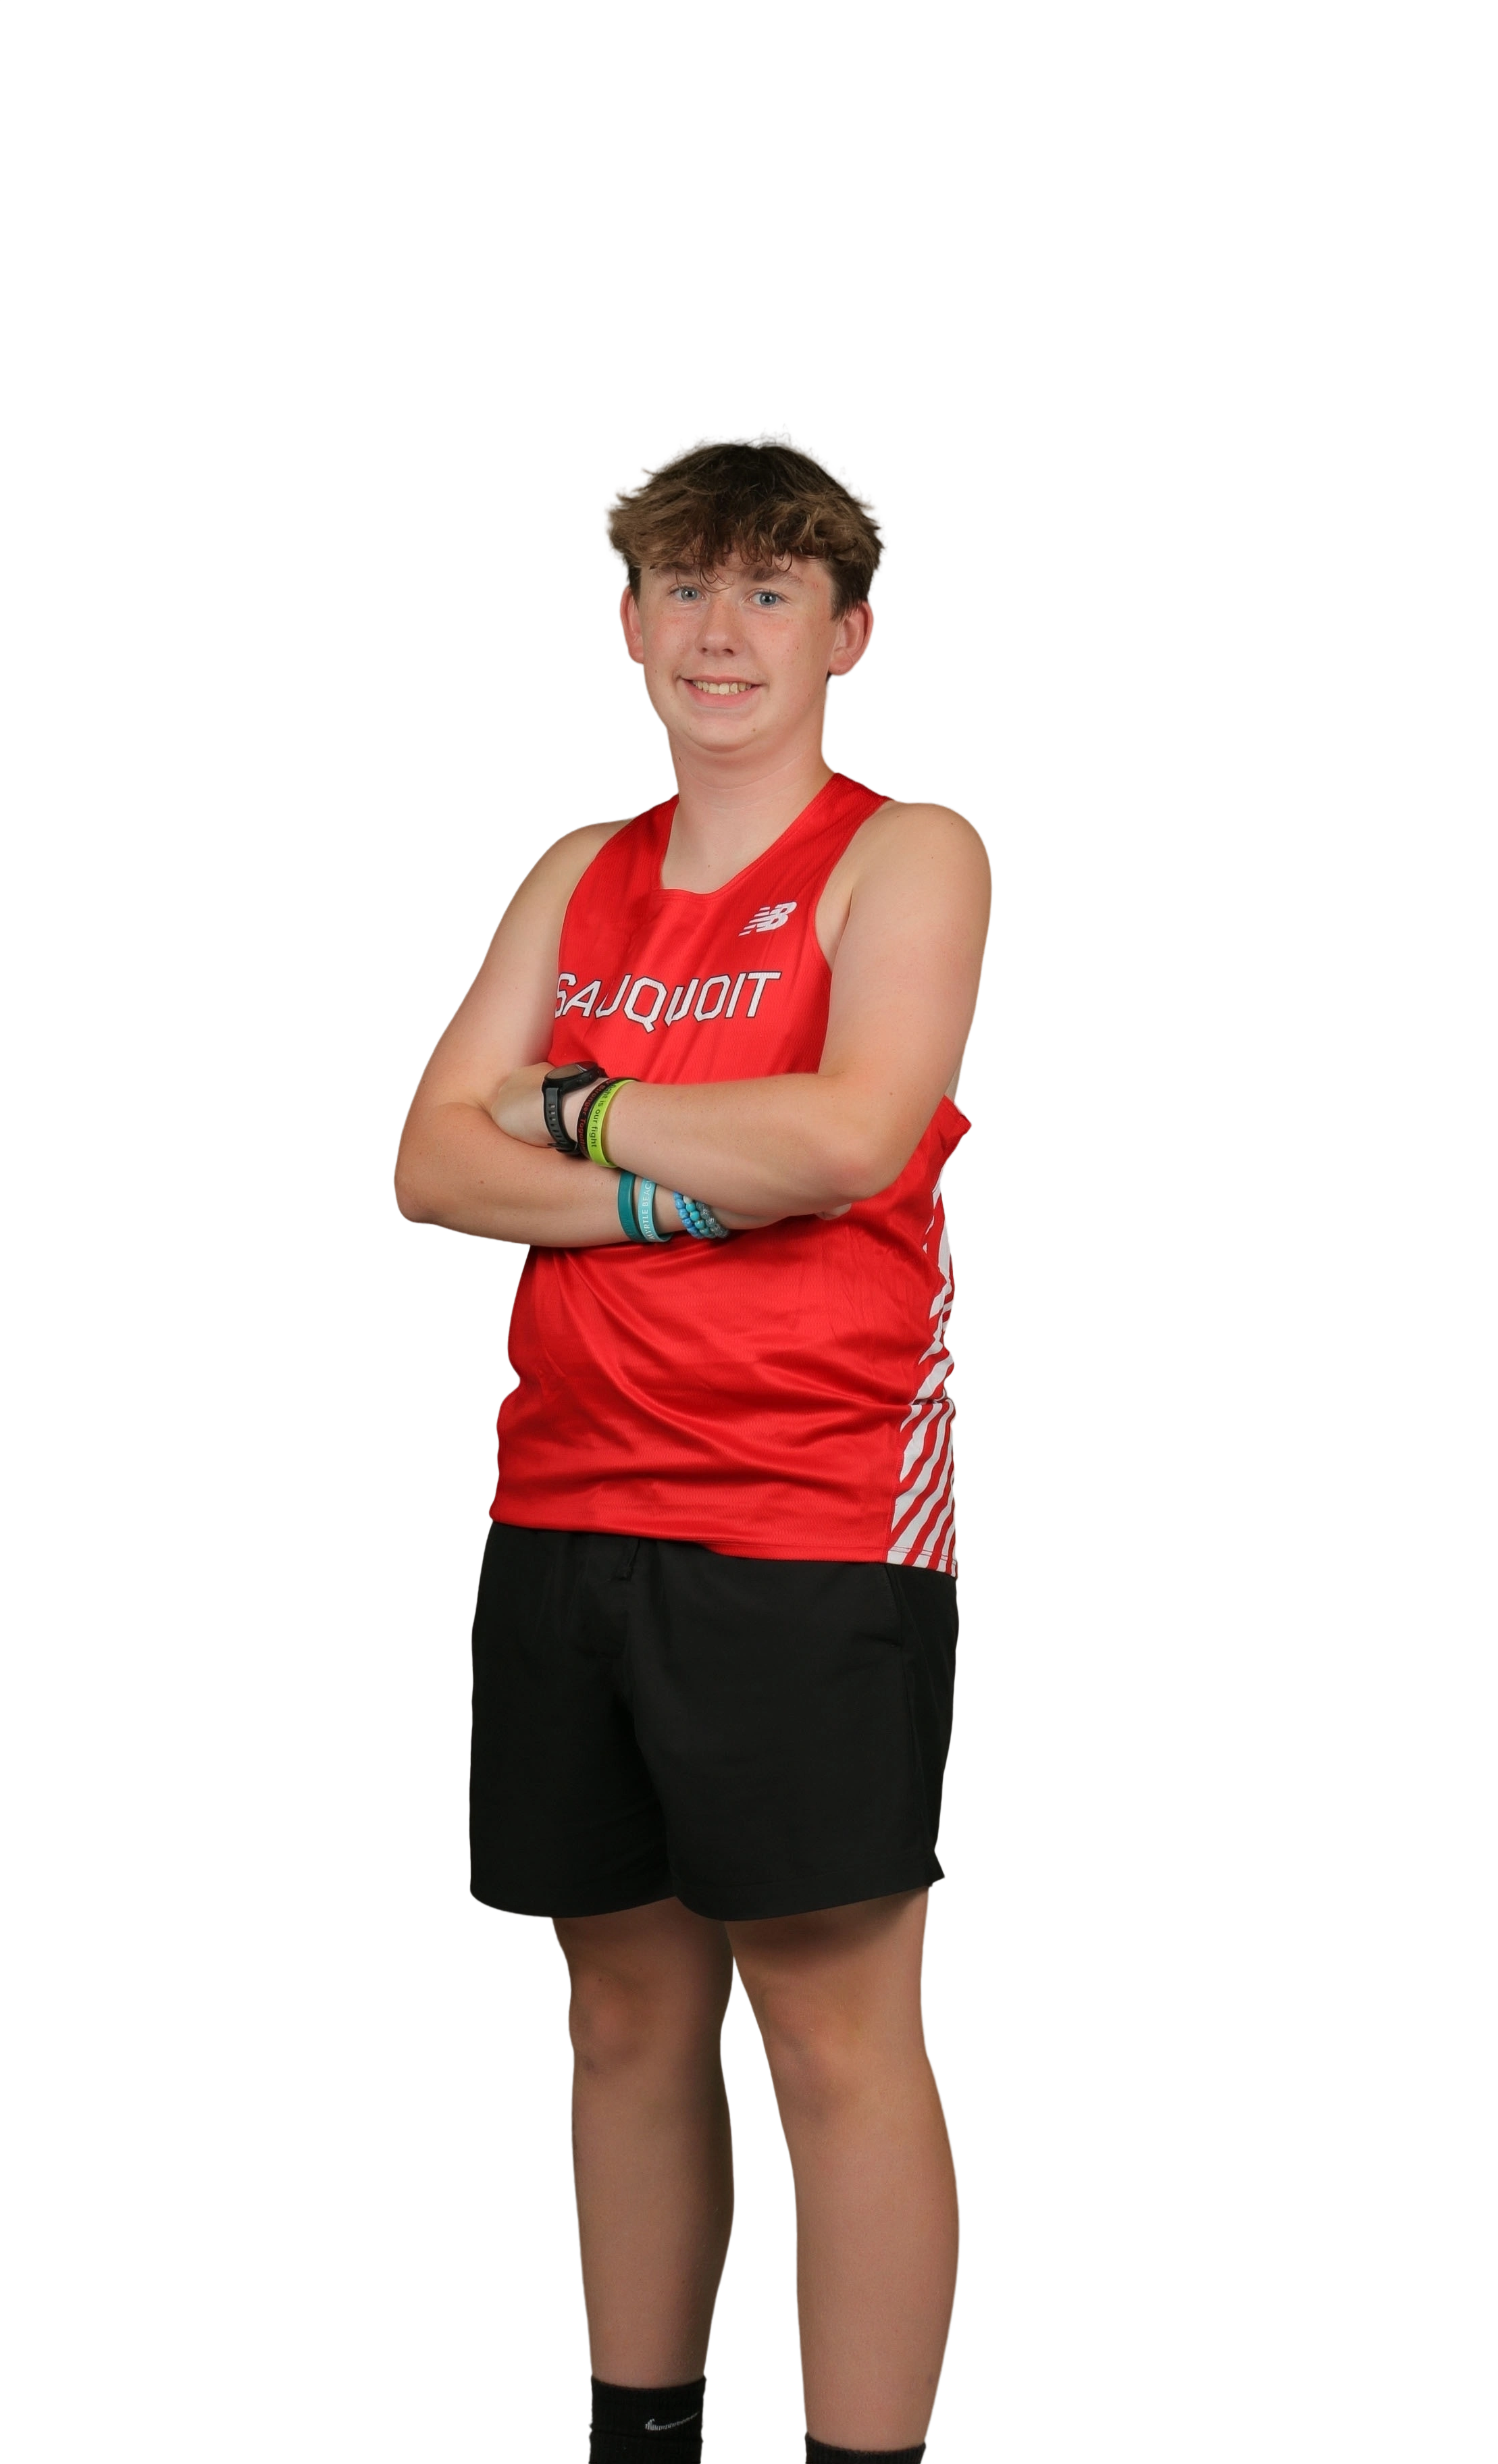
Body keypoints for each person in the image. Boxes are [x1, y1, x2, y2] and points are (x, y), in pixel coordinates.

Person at [391, 424, 993, 2464]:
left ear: (848, 633)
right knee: (624, 2019)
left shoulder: (908, 853)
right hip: (565, 1508)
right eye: (680, 587)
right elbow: (429, 1165)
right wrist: (683, 1180)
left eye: (767, 589)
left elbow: (846, 1136)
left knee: (835, 2037)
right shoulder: (583, 871)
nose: (717, 630)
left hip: (810, 1522)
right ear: (631, 625)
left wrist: (570, 1112)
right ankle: (637, 2441)